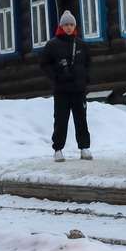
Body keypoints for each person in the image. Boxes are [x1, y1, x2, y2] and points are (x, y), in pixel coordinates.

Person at [41, 10, 92, 162]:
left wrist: (85, 79)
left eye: (71, 24)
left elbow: (88, 63)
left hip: (78, 89)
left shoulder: (81, 44)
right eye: (66, 25)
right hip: (62, 90)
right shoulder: (52, 45)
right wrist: (56, 76)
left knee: (81, 119)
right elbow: (44, 64)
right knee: (61, 120)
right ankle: (58, 149)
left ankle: (84, 148)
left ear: (74, 26)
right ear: (61, 26)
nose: (69, 27)